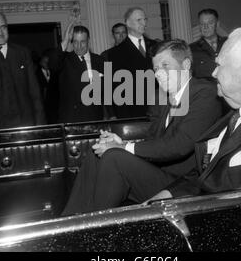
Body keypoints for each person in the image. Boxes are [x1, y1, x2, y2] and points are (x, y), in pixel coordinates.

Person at [62, 39, 222, 215]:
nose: (159, 73)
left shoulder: (204, 92)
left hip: (181, 183)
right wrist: (120, 142)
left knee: (114, 157)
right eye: (156, 69)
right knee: (98, 154)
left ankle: (95, 230)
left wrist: (123, 147)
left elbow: (180, 145)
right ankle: (69, 220)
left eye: (165, 65)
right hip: (159, 172)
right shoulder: (163, 98)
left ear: (185, 65)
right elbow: (153, 141)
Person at [149, 26, 241, 202]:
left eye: (219, 65)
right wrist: (167, 195)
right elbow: (206, 173)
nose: (213, 73)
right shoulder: (236, 113)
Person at [0, 12, 45, 131]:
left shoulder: (22, 53)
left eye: (3, 27)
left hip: (25, 126)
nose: (0, 32)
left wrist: (40, 126)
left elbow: (35, 93)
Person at [48, 22, 105, 123]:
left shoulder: (100, 60)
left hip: (96, 117)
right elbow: (52, 64)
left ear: (88, 41)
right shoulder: (65, 60)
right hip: (71, 118)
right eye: (75, 41)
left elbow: (107, 92)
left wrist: (109, 115)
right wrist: (65, 41)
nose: (78, 46)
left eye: (82, 41)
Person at [106, 7, 157, 119]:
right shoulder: (116, 53)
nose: (144, 23)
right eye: (139, 20)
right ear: (128, 23)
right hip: (133, 113)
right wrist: (124, 118)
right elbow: (116, 88)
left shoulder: (156, 46)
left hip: (159, 109)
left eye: (145, 19)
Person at [190, 9, 227, 80]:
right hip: (206, 90)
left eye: (210, 23)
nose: (205, 27)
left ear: (217, 24)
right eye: (202, 23)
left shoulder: (228, 43)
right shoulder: (191, 49)